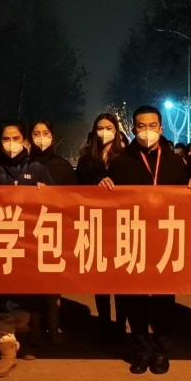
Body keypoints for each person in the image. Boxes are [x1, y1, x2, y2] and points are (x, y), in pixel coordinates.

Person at [102, 105, 191, 374]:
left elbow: (188, 195)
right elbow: (106, 198)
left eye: (152, 126)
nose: (147, 131)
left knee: (164, 296)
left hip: (165, 238)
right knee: (134, 295)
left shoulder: (175, 161)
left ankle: (161, 348)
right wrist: (103, 186)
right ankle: (141, 347)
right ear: (134, 129)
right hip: (133, 237)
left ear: (161, 128)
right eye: (142, 126)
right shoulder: (121, 162)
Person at [0, 122, 54, 378]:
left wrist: (48, 194)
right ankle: (6, 351)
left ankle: (23, 340)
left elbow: (57, 202)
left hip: (29, 242)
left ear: (24, 141)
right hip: (0, 242)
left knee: (26, 294)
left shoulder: (37, 169)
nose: (10, 144)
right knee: (2, 296)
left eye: (15, 138)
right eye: (5, 139)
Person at [76, 113, 128, 343]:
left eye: (109, 127)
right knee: (101, 279)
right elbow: (76, 188)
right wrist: (94, 187)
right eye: (100, 127)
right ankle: (105, 323)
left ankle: (121, 323)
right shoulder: (86, 159)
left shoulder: (125, 157)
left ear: (116, 131)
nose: (104, 132)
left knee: (122, 279)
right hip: (95, 223)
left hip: (121, 224)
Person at [28, 119, 75, 343]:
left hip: (55, 228)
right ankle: (35, 327)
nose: (41, 138)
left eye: (45, 133)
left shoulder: (63, 166)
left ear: (52, 136)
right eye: (36, 133)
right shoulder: (25, 164)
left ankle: (54, 326)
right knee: (32, 283)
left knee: (53, 283)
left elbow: (73, 197)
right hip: (28, 229)